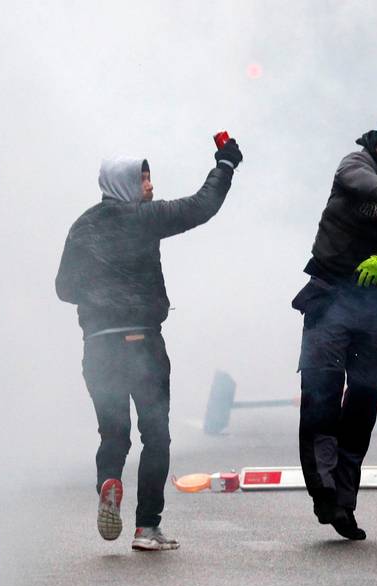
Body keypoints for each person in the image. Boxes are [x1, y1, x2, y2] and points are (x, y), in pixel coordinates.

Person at [55, 137, 243, 551]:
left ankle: (109, 482)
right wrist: (225, 165)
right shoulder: (144, 218)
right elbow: (201, 206)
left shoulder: (81, 227)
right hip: (143, 344)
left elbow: (63, 288)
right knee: (155, 435)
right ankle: (147, 528)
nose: (150, 186)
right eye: (143, 178)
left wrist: (99, 291)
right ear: (124, 182)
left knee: (114, 434)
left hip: (99, 349)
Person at [292, 117, 377, 540]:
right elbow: (354, 179)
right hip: (330, 295)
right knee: (323, 394)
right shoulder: (355, 163)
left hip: (372, 304)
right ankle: (324, 492)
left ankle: (344, 504)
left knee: (365, 400)